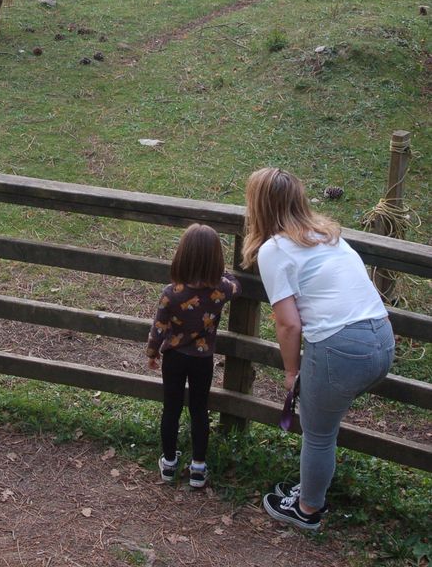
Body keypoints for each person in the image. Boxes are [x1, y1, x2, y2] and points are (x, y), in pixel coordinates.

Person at [243, 167, 395, 531]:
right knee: (325, 423)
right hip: (382, 341)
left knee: (319, 433)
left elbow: (288, 323)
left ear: (258, 206)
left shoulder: (275, 249)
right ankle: (313, 488)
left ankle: (308, 509)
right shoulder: (329, 236)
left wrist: (292, 372)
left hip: (341, 350)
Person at [147, 223, 241, 488]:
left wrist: (152, 353)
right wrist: (221, 273)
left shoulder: (171, 293)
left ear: (182, 256)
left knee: (172, 408)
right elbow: (237, 284)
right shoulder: (220, 290)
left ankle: (168, 463)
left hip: (175, 358)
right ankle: (198, 467)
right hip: (202, 360)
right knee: (200, 410)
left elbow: (158, 328)